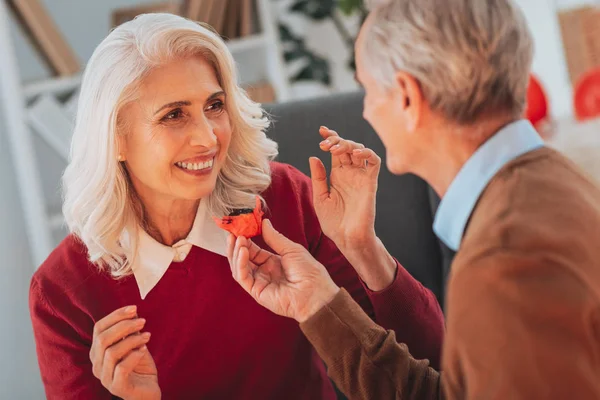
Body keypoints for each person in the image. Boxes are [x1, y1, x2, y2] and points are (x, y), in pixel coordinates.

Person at [28, 13, 444, 400]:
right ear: (115, 138)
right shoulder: (61, 292)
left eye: (214, 105)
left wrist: (362, 245)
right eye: (174, 115)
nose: (208, 138)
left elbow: (428, 365)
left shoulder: (283, 201)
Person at [226, 0, 600, 399]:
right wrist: (339, 275)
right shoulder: (562, 182)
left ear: (406, 96)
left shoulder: (501, 264)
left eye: (367, 89)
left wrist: (320, 306)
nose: (366, 111)